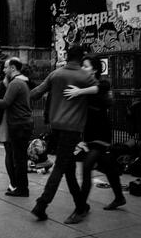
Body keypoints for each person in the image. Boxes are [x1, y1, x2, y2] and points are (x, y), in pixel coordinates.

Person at [30, 45, 97, 224]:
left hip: (56, 126)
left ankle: (81, 205)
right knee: (61, 166)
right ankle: (41, 204)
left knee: (68, 169)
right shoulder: (85, 76)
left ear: (67, 57)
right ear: (81, 58)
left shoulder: (56, 74)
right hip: (73, 128)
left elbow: (35, 94)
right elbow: (104, 96)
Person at [63, 55, 126, 210]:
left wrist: (79, 92)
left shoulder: (101, 84)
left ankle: (81, 207)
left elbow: (102, 88)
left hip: (101, 133)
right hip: (90, 134)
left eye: (86, 66)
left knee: (87, 167)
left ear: (95, 69)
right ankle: (119, 197)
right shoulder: (83, 85)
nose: (83, 69)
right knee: (108, 166)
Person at [0, 58, 33, 197]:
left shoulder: (15, 83)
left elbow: (5, 103)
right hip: (23, 123)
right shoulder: (23, 82)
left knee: (19, 159)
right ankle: (21, 187)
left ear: (12, 68)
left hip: (19, 124)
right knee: (20, 158)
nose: (4, 70)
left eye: (5, 67)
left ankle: (22, 189)